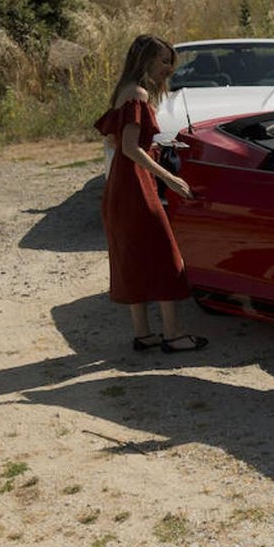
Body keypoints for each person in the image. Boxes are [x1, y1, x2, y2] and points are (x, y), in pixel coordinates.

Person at [93, 34, 208, 353]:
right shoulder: (137, 94)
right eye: (164, 61)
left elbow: (124, 144)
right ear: (145, 59)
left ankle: (144, 334)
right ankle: (174, 335)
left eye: (171, 61)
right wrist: (170, 178)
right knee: (166, 257)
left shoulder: (124, 91)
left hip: (122, 182)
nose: (169, 68)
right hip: (135, 185)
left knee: (135, 257)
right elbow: (130, 148)